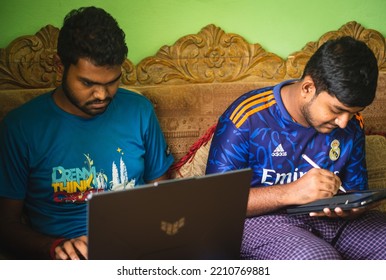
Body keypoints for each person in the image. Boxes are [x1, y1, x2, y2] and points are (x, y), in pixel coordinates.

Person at [0, 6, 174, 260]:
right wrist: (56, 248)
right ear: (60, 66)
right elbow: (7, 225)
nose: (102, 95)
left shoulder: (139, 110)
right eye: (88, 83)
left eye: (112, 81)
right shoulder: (20, 127)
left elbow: (162, 196)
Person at [205, 36, 386, 259]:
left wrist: (353, 207)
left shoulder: (351, 123)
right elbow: (216, 203)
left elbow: (356, 189)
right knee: (318, 262)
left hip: (333, 223)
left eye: (354, 111)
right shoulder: (247, 118)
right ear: (308, 88)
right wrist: (291, 192)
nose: (343, 122)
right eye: (336, 110)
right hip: (263, 223)